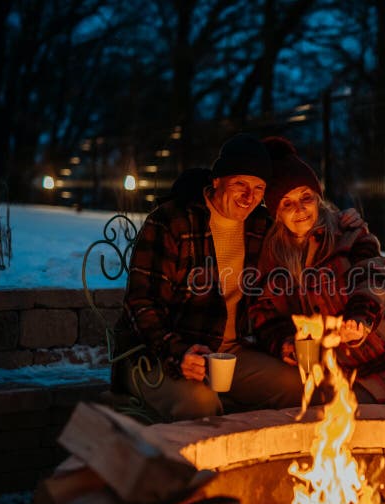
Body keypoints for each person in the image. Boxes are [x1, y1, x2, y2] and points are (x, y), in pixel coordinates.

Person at [112, 133, 306, 421]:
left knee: (300, 387)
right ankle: (200, 466)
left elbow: (267, 305)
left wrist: (282, 343)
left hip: (228, 355)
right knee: (199, 405)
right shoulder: (172, 220)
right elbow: (141, 303)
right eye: (240, 183)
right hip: (156, 354)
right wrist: (178, 352)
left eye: (258, 187)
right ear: (216, 180)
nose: (249, 196)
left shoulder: (261, 227)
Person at [250, 137, 385, 404]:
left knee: (341, 413)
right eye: (287, 203)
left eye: (306, 197)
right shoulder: (273, 255)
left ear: (317, 198)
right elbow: (264, 314)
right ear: (276, 212)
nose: (299, 209)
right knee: (312, 410)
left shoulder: (347, 232)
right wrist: (286, 344)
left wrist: (360, 318)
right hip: (334, 365)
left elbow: (371, 278)